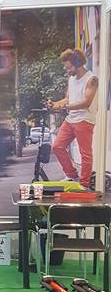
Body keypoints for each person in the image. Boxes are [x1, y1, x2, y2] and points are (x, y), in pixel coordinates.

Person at [47, 48, 98, 189]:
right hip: (71, 119)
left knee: (85, 154)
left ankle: (84, 184)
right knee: (57, 146)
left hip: (85, 119)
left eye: (68, 67)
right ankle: (72, 175)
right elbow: (68, 99)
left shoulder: (91, 79)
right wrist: (55, 104)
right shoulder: (71, 79)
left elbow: (87, 102)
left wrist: (67, 107)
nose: (67, 70)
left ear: (78, 64)